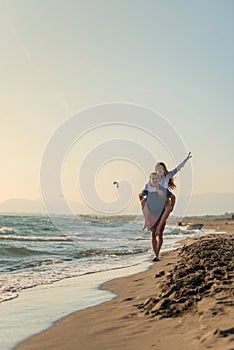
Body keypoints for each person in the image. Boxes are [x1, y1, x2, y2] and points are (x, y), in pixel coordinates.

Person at [144, 152, 192, 235]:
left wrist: (185, 160)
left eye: (161, 168)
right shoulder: (154, 178)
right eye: (158, 169)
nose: (159, 170)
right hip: (154, 197)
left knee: (171, 200)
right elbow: (147, 187)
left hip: (164, 197)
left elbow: (177, 169)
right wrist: (156, 190)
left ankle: (161, 222)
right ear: (156, 170)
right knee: (143, 201)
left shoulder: (167, 176)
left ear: (164, 169)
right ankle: (148, 221)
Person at [139, 172, 175, 261]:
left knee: (160, 235)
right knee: (153, 234)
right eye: (153, 179)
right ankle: (156, 255)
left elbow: (173, 197)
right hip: (151, 215)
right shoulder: (148, 189)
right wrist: (145, 206)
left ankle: (157, 253)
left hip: (161, 214)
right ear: (150, 180)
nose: (154, 180)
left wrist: (171, 207)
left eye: (156, 179)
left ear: (158, 180)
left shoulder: (163, 189)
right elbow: (140, 195)